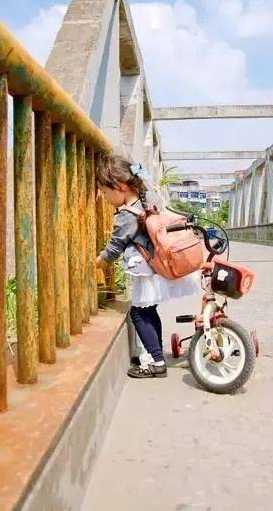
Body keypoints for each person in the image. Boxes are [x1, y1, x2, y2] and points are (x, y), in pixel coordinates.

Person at [96, 154, 196, 379]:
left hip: (147, 270)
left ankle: (156, 362)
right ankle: (154, 355)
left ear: (121, 186)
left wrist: (96, 264)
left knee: (139, 314)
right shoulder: (150, 196)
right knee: (149, 310)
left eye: (105, 192)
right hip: (161, 265)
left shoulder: (126, 215)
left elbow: (114, 248)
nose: (104, 197)